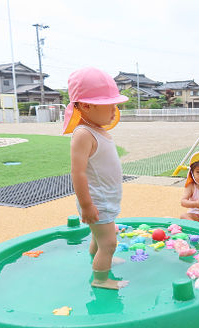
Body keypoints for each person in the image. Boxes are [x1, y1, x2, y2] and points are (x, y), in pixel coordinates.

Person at [63, 67, 129, 290]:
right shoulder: (83, 134)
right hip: (96, 201)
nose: (114, 111)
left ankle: (98, 260)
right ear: (86, 105)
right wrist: (86, 205)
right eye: (109, 105)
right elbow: (78, 172)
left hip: (104, 199)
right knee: (109, 243)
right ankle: (101, 279)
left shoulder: (98, 130)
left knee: (98, 239)